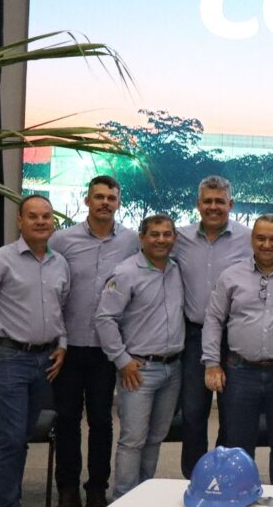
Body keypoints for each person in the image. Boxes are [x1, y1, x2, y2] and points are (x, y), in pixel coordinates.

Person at [0, 195, 69, 507]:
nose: (40, 221)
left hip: (44, 361)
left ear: (53, 222)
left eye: (46, 216)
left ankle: (12, 497)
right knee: (11, 438)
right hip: (8, 360)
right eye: (33, 216)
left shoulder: (60, 264)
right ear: (19, 221)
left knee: (21, 436)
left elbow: (59, 310)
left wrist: (62, 344)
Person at [49, 175, 140, 507]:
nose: (105, 203)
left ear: (118, 202)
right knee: (67, 418)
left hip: (107, 348)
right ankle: (67, 487)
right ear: (87, 200)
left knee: (102, 420)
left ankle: (97, 487)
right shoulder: (62, 240)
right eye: (98, 197)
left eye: (111, 198)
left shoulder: (132, 241)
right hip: (69, 346)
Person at [202, 214, 273, 485]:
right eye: (261, 238)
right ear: (252, 239)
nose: (267, 244)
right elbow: (213, 319)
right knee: (237, 444)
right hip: (240, 372)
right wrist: (212, 363)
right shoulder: (231, 275)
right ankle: (240, 495)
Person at [94, 214, 184, 499]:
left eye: (167, 234)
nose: (161, 240)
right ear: (142, 238)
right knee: (133, 440)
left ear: (174, 238)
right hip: (139, 370)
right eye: (154, 234)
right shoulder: (125, 273)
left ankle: (143, 496)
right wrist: (122, 360)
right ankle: (123, 499)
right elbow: (104, 319)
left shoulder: (176, 270)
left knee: (155, 438)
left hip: (173, 368)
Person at [174, 175, 252, 477]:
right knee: (194, 413)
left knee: (232, 415)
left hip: (234, 338)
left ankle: (224, 477)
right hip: (194, 336)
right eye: (207, 201)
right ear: (198, 204)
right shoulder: (179, 239)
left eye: (220, 201)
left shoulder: (248, 238)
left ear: (231, 204)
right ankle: (195, 478)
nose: (213, 207)